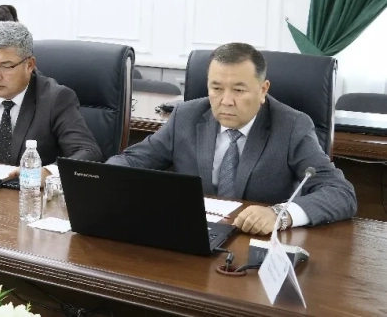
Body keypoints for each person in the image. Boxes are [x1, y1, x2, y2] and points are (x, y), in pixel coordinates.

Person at [107, 43, 357, 235]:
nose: (226, 101)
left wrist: (279, 215)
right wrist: (103, 184)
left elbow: (340, 192)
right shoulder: (186, 116)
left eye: (238, 90)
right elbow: (131, 161)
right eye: (216, 88)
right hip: (195, 235)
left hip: (257, 243)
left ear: (263, 90)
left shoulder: (291, 126)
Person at [0, 21, 102, 167]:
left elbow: (89, 153)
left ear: (29, 65)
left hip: (31, 190)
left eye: (6, 66)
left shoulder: (55, 98)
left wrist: (46, 173)